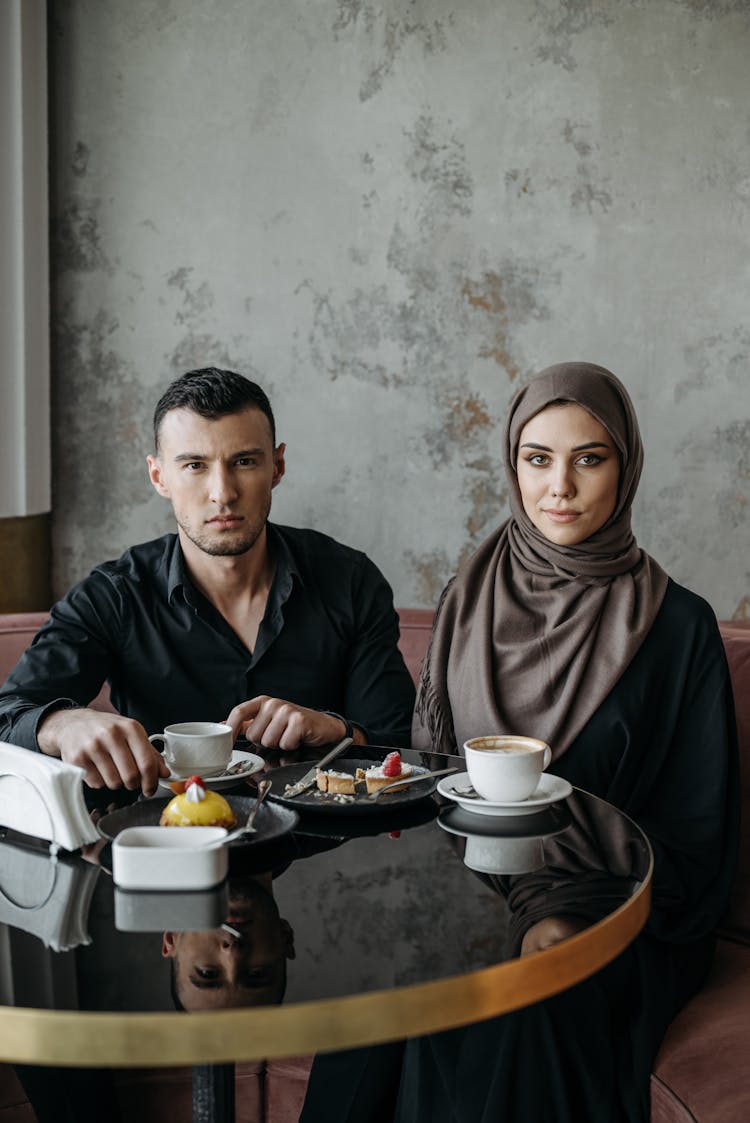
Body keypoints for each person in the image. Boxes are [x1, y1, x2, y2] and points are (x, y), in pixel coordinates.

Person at [302, 361, 739, 1122]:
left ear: (626, 467)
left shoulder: (678, 627)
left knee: (517, 1000)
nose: (559, 486)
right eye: (538, 459)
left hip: (614, 914)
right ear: (514, 465)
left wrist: (559, 913)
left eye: (589, 458)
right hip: (464, 896)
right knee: (384, 984)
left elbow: (696, 845)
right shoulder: (469, 596)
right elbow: (435, 786)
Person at [0, 367, 415, 797]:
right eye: (195, 465)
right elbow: (7, 715)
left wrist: (336, 728)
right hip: (161, 841)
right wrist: (61, 723)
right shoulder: (115, 595)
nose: (223, 492)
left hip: (319, 853)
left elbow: (400, 742)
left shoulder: (350, 580)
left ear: (277, 466)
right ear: (159, 476)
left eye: (245, 461)